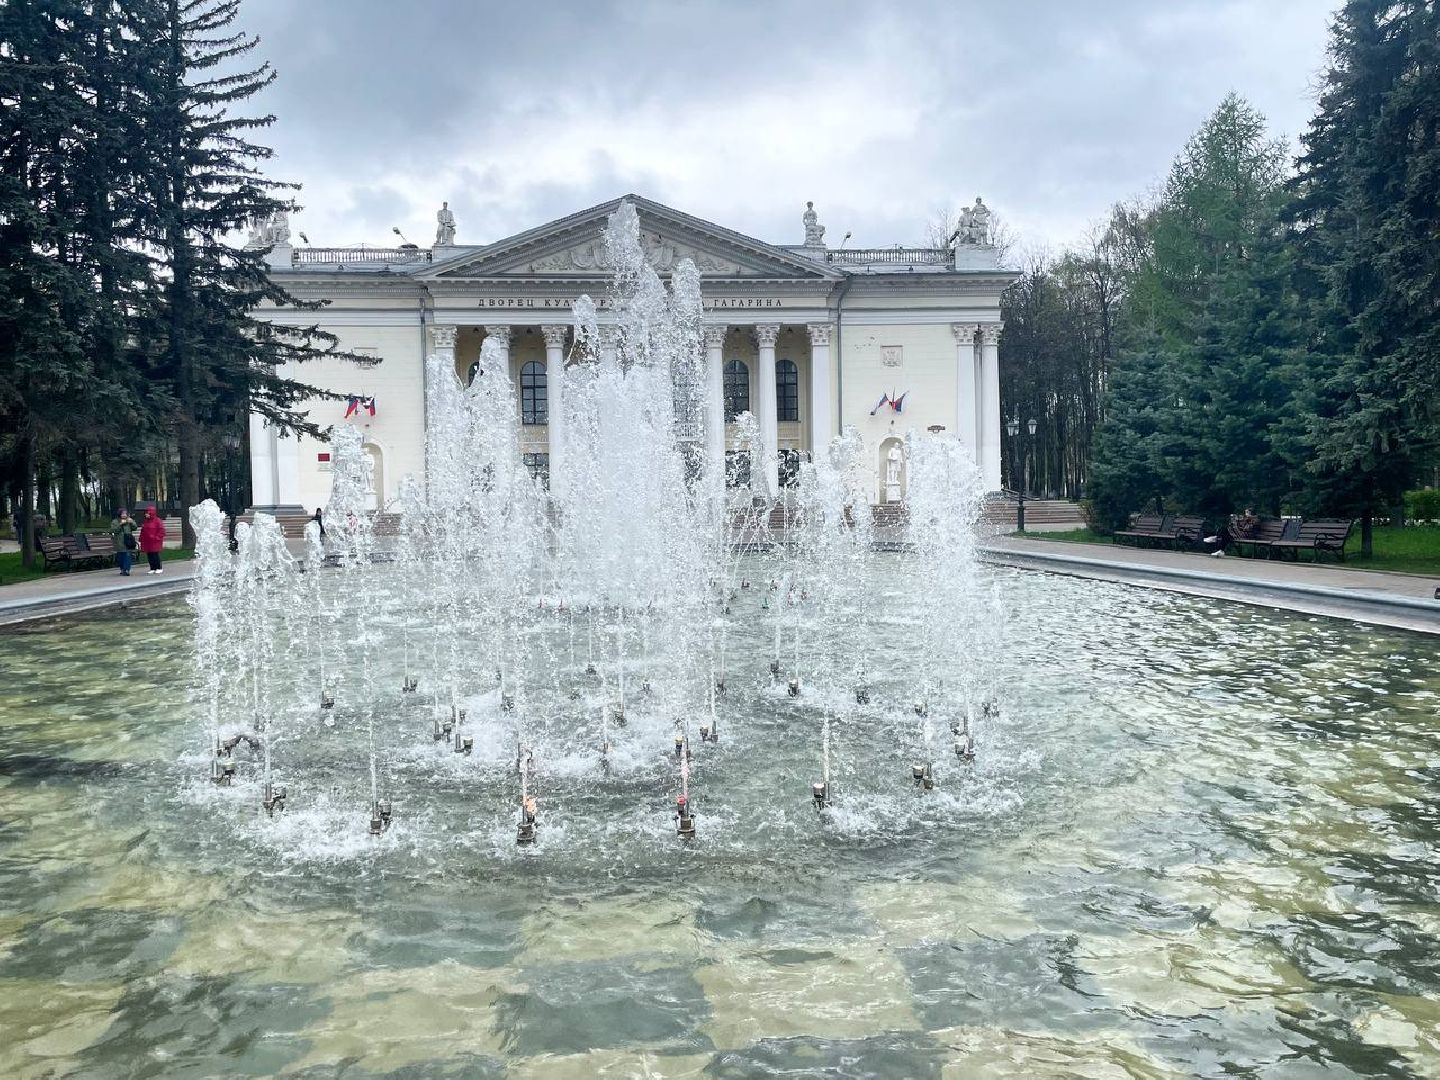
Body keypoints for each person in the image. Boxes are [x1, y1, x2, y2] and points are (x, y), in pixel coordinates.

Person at [110, 509, 138, 576]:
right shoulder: (115, 521)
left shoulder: (129, 520)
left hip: (128, 541)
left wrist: (132, 522)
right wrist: (120, 524)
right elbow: (114, 530)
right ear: (119, 514)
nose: (124, 515)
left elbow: (135, 528)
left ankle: (126, 570)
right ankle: (122, 569)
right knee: (121, 557)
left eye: (125, 514)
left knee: (127, 555)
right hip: (119, 541)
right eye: (123, 514)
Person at [139, 507, 165, 574]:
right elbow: (143, 530)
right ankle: (152, 568)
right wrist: (141, 538)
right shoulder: (146, 521)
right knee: (149, 555)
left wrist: (157, 538)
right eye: (146, 513)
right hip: (148, 541)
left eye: (147, 513)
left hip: (155, 541)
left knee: (155, 554)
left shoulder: (158, 521)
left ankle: (159, 567)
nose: (146, 515)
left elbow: (161, 530)